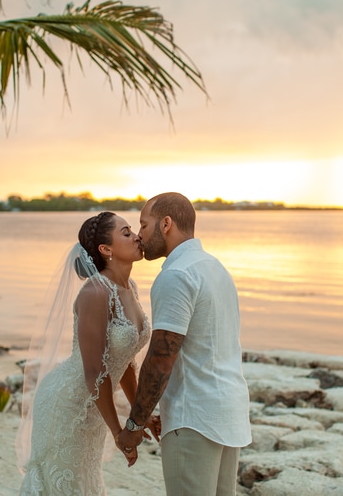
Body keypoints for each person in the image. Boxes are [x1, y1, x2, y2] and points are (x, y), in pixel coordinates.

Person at [116, 192, 252, 495]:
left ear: (166, 224)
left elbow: (161, 358)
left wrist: (135, 425)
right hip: (228, 410)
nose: (140, 235)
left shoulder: (176, 275)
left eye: (144, 224)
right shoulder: (215, 268)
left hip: (194, 417)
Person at [16, 211, 159, 495]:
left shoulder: (130, 288)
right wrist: (119, 433)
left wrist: (140, 415)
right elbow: (95, 370)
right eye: (126, 232)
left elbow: (126, 362)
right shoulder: (95, 293)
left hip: (94, 403)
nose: (137, 237)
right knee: (65, 482)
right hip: (68, 403)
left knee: (86, 480)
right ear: (106, 250)